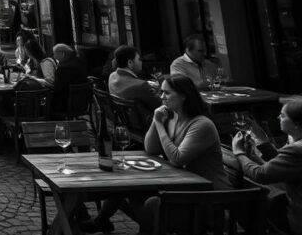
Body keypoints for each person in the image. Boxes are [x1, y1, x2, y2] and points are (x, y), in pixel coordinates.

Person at [82, 74, 230, 234]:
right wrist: (156, 119)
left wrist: (159, 124)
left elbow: (177, 158)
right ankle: (101, 220)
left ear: (184, 96)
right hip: (183, 188)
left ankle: (140, 228)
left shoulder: (201, 125)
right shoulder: (174, 118)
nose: (161, 97)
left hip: (208, 199)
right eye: (161, 92)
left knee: (152, 203)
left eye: (167, 93)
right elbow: (151, 148)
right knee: (128, 187)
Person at [232, 99, 302, 234]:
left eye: (282, 115)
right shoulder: (296, 144)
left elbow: (260, 174)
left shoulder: (297, 149)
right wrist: (261, 143)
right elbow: (285, 163)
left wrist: (238, 152)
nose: (278, 117)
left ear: (296, 124)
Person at [108, 45, 160, 122]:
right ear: (130, 63)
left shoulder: (112, 76)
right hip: (149, 125)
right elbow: (161, 105)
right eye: (139, 59)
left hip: (126, 122)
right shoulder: (141, 85)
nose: (141, 62)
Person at [46, 43, 88, 115]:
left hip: (66, 104)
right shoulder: (79, 61)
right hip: (82, 102)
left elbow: (57, 88)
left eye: (55, 54)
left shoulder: (63, 69)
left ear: (62, 54)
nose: (54, 56)